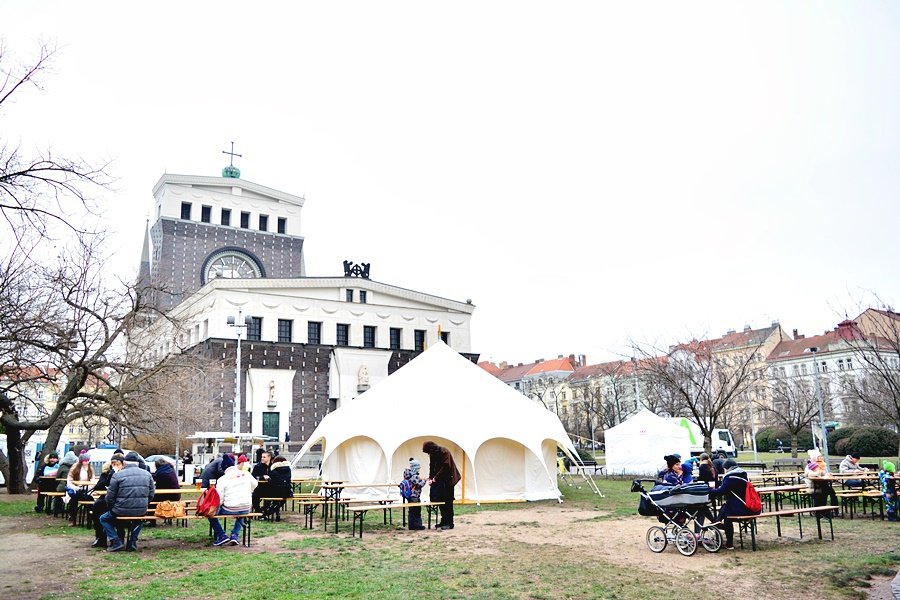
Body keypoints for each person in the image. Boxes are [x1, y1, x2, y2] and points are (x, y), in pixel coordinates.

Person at [99, 453, 155, 552]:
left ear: (124, 462)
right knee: (139, 519)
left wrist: (113, 507)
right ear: (137, 462)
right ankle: (132, 541)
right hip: (141, 510)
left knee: (104, 518)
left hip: (120, 509)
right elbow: (151, 494)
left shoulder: (117, 475)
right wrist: (143, 504)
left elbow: (109, 497)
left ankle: (116, 540)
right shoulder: (147, 474)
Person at [208, 453, 258, 546]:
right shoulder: (246, 473)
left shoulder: (222, 479)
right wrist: (249, 490)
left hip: (230, 508)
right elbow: (255, 484)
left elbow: (220, 498)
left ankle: (222, 535)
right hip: (246, 507)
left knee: (210, 514)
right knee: (242, 512)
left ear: (224, 469)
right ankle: (234, 535)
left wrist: (216, 507)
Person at [708, 459, 755, 550]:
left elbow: (721, 491)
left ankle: (728, 541)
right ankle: (717, 522)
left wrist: (709, 490)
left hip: (742, 508)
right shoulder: (743, 475)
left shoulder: (730, 477)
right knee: (726, 508)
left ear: (727, 468)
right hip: (750, 507)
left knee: (727, 514)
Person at [423, 441, 460, 530]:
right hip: (440, 481)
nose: (428, 454)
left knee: (447, 502)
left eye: (428, 452)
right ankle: (443, 522)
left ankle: (449, 523)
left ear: (432, 449)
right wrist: (431, 478)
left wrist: (436, 477)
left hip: (448, 481)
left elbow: (446, 466)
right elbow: (431, 466)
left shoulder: (444, 452)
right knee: (440, 501)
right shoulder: (433, 454)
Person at [65, 452, 95, 525]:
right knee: (74, 500)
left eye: (88, 460)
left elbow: (92, 480)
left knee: (90, 500)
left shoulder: (90, 468)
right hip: (76, 490)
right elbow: (69, 480)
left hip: (86, 490)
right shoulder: (75, 468)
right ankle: (72, 518)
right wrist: (76, 487)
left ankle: (90, 519)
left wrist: (88, 487)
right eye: (85, 461)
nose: (87, 462)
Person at [90, 462, 115, 548]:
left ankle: (106, 538)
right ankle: (100, 537)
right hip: (108, 500)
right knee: (98, 506)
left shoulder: (122, 474)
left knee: (100, 507)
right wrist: (108, 477)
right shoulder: (106, 474)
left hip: (119, 502)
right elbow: (97, 487)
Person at [401, 458, 427, 531]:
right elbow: (419, 485)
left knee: (411, 511)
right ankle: (418, 525)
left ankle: (411, 525)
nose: (419, 468)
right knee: (417, 511)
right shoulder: (414, 476)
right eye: (418, 467)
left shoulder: (407, 474)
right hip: (415, 496)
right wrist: (424, 480)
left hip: (410, 496)